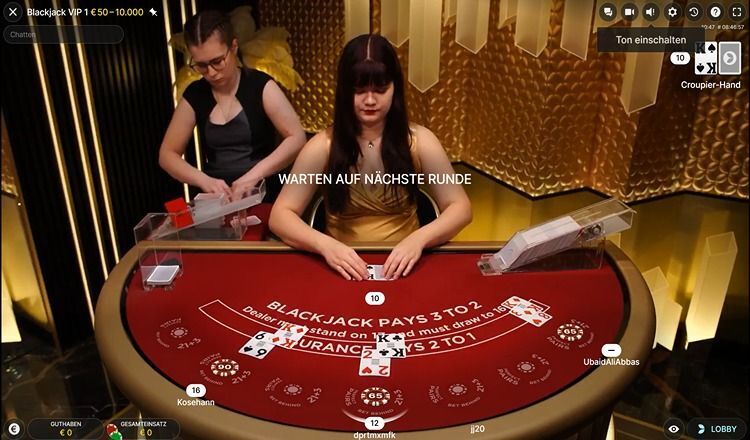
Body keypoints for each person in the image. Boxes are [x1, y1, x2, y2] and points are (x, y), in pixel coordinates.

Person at [270, 34, 471, 280]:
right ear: (344, 91)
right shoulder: (322, 146)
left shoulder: (421, 141)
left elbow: (460, 207)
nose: (370, 100)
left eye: (380, 89)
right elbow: (280, 216)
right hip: (343, 268)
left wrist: (418, 240)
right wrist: (326, 245)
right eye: (359, 90)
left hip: (406, 266)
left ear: (395, 88)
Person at [159, 10, 305, 201]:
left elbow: (296, 137)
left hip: (262, 190)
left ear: (233, 47)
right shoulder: (195, 93)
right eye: (201, 65)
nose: (211, 72)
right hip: (217, 198)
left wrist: (254, 175)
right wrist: (204, 180)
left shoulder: (260, 85)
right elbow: (167, 155)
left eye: (217, 61)